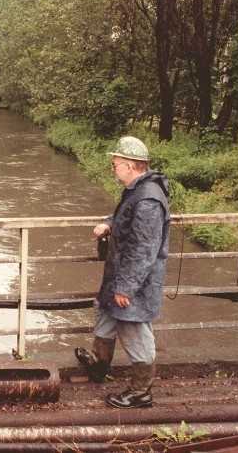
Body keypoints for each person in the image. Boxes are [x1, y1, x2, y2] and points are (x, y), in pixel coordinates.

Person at [75, 136, 170, 409]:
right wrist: (108, 223)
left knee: (134, 329)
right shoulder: (135, 190)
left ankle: (141, 391)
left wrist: (126, 287)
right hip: (119, 274)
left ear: (129, 166)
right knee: (105, 312)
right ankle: (98, 365)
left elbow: (143, 250)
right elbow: (123, 216)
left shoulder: (149, 200)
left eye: (114, 164)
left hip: (134, 282)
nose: (112, 169)